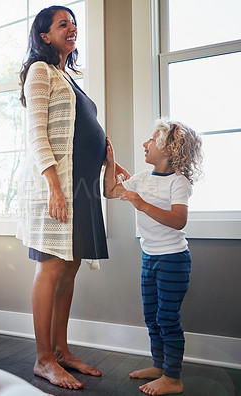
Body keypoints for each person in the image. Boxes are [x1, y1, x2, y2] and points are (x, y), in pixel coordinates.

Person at [16, 5, 130, 390]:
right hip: (58, 188)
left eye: (74, 22)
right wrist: (53, 188)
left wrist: (107, 159)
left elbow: (80, 132)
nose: (72, 27)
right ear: (44, 35)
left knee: (70, 269)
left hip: (82, 188)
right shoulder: (40, 71)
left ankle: (62, 350)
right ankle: (43, 359)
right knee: (50, 268)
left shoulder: (68, 77)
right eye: (63, 23)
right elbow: (37, 135)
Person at [103, 119, 203, 395]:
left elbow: (179, 220)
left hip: (173, 260)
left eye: (151, 140)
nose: (144, 144)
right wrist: (111, 162)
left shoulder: (178, 182)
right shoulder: (143, 179)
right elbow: (111, 191)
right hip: (149, 258)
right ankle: (160, 366)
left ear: (169, 149)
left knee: (167, 318)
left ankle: (173, 379)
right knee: (151, 316)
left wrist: (141, 203)